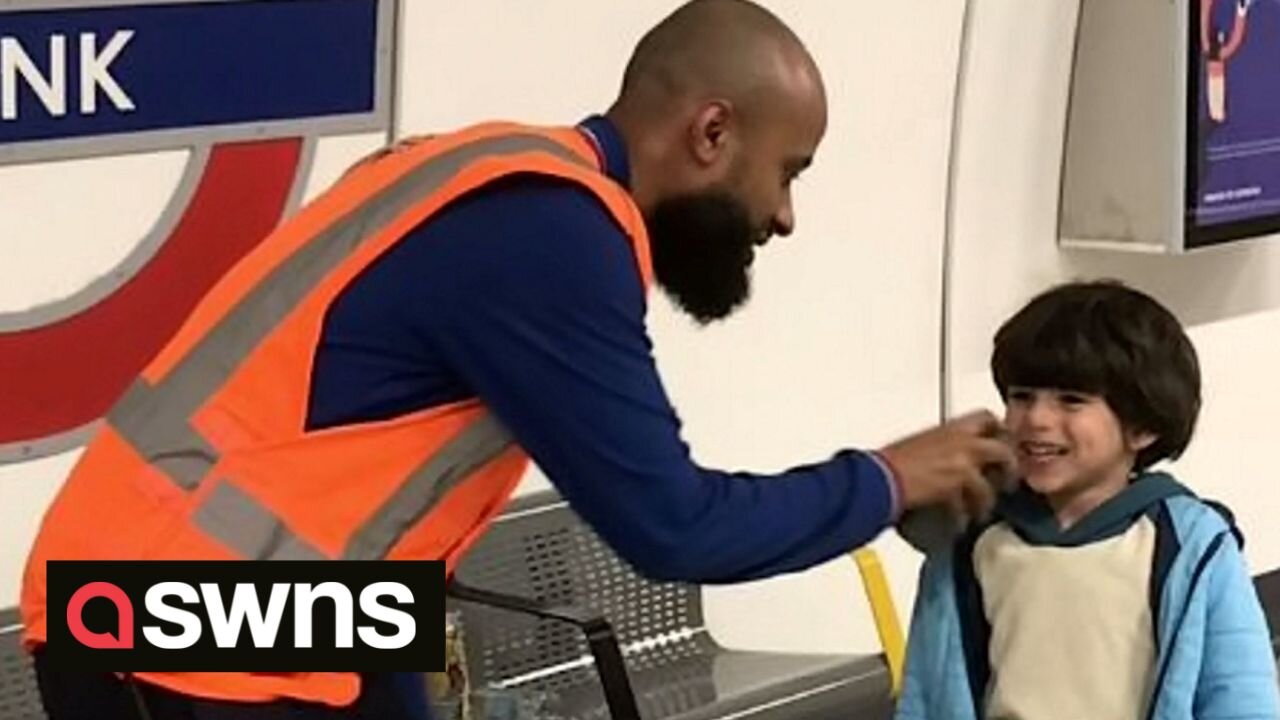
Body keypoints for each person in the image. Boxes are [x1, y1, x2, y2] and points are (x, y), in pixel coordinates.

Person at [22, 1, 1015, 717]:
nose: (783, 217)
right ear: (712, 132)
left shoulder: (497, 172)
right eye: (786, 173)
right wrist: (885, 480)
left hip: (270, 606)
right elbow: (673, 526)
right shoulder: (548, 235)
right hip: (167, 617)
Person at [894, 280, 1280, 720]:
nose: (1037, 419)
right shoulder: (975, 540)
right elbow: (928, 688)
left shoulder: (1192, 543)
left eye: (1071, 401)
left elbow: (1239, 691)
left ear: (1142, 426)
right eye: (1022, 397)